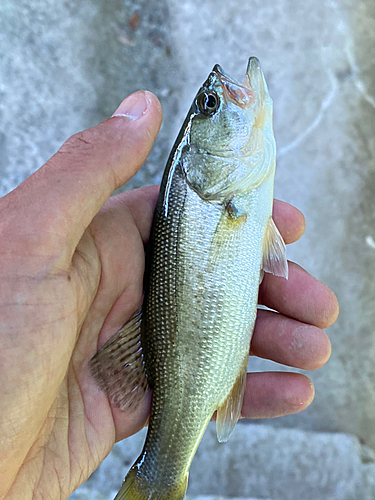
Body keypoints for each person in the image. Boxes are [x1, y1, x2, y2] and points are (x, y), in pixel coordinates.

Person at [0, 91, 338, 499]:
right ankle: (159, 476)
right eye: (210, 106)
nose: (223, 101)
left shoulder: (228, 196)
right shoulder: (223, 197)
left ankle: (160, 473)